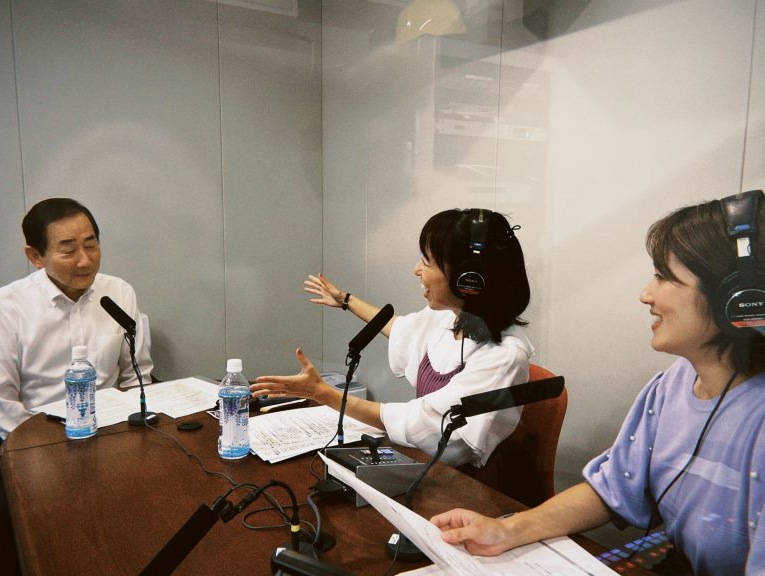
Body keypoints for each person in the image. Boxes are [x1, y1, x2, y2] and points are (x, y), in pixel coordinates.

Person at [430, 191, 765, 576]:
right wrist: (505, 531)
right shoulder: (671, 386)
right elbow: (612, 488)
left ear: (737, 297)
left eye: (663, 277)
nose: (646, 295)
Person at [251, 208, 534, 467]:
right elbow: (400, 328)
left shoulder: (505, 357)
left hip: (463, 488)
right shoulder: (451, 318)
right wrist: (346, 300)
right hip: (427, 468)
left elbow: (429, 426)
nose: (416, 269)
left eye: (427, 262)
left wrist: (323, 393)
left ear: (468, 279)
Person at [0, 198, 153, 440]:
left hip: (115, 433)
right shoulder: (6, 307)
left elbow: (136, 375)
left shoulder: (119, 292)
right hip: (40, 439)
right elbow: (3, 405)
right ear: (35, 256)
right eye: (69, 251)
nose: (85, 261)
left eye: (91, 245)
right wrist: (43, 446)